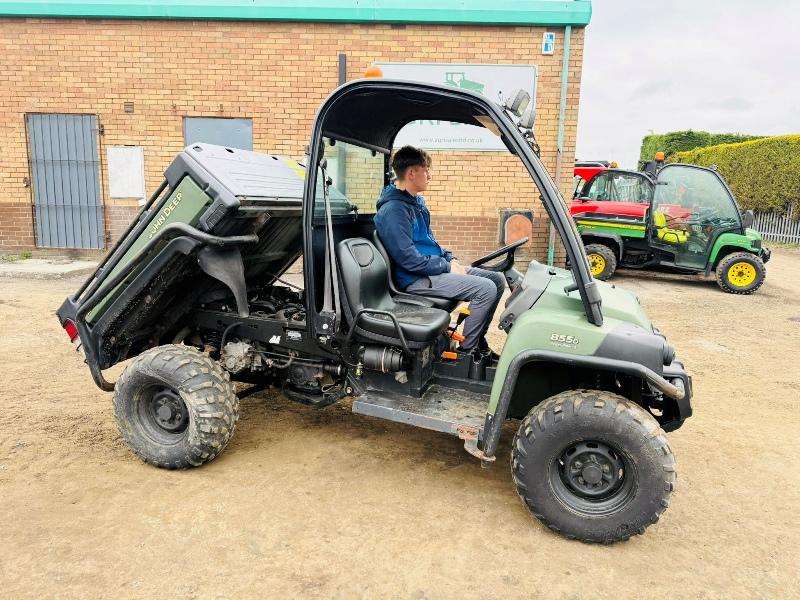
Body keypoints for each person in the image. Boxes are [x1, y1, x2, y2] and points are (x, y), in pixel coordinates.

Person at [373, 145, 505, 357]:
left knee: (497, 279)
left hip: (431, 270)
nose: (430, 176)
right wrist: (446, 267)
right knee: (485, 289)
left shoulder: (415, 204)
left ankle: (478, 341)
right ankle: (467, 354)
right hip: (415, 279)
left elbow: (430, 243)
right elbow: (409, 260)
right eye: (426, 170)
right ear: (412, 173)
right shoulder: (394, 211)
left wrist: (450, 259)